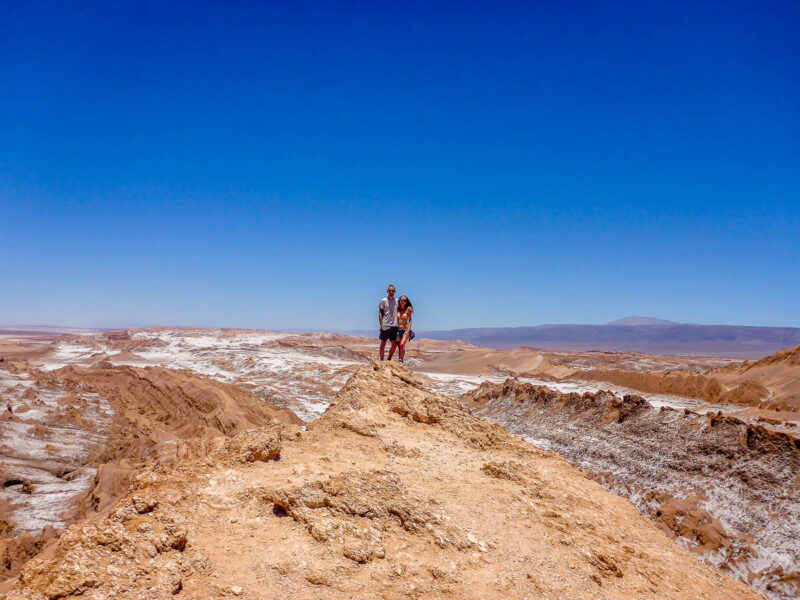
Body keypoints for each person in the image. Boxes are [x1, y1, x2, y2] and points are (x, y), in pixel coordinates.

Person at [378, 284, 398, 361]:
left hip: (395, 325)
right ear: (387, 291)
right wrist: (381, 325)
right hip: (385, 324)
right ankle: (381, 360)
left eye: (393, 290)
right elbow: (380, 313)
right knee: (383, 343)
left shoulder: (397, 301)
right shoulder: (383, 301)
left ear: (395, 291)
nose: (391, 292)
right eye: (390, 290)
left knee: (394, 343)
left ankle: (389, 359)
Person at [396, 295, 413, 363]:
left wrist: (408, 331)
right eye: (402, 300)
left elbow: (410, 321)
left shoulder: (408, 310)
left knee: (402, 344)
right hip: (397, 330)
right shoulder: (396, 309)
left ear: (406, 302)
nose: (403, 302)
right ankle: (400, 360)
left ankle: (401, 360)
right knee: (399, 346)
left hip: (404, 330)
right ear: (399, 301)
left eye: (405, 301)